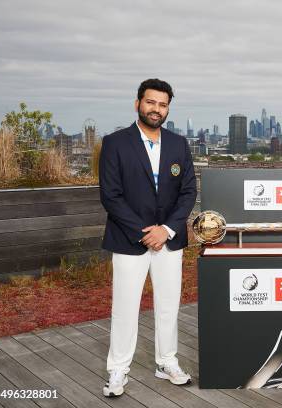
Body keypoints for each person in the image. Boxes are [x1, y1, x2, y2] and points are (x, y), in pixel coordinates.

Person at [99, 78, 197, 397]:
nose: (157, 109)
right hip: (130, 240)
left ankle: (166, 361)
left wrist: (166, 230)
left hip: (169, 239)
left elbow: (188, 193)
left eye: (163, 104)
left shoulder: (179, 144)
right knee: (125, 307)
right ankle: (118, 370)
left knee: (168, 305)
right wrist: (145, 232)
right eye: (151, 102)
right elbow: (111, 196)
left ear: (168, 108)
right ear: (138, 103)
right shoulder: (115, 143)